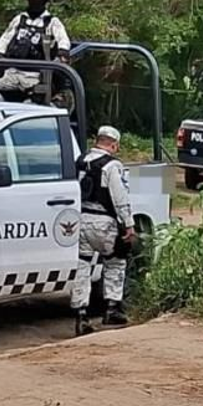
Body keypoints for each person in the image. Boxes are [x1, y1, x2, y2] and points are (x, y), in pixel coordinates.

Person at [70, 125, 136, 335]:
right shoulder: (112, 166)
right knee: (115, 261)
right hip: (104, 223)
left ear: (97, 141)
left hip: (81, 220)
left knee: (83, 266)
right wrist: (128, 224)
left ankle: (81, 315)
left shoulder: (80, 162)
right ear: (113, 145)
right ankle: (112, 309)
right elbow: (120, 197)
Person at [0, 0, 72, 103]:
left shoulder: (52, 22)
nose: (34, 0)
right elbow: (6, 37)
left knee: (37, 97)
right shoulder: (20, 19)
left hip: (35, 75)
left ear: (45, 0)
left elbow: (63, 39)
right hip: (12, 71)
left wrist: (63, 51)